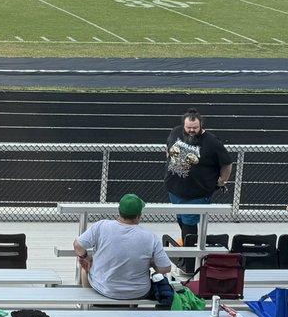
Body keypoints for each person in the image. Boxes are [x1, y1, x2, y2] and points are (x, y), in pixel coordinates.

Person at [164, 109, 233, 271]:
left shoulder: (212, 142)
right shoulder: (175, 132)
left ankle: (190, 264)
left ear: (201, 125)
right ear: (184, 125)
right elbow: (168, 149)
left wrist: (222, 181)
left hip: (196, 194)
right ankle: (187, 251)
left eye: (195, 127)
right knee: (182, 221)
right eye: (188, 127)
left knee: (189, 227)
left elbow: (227, 163)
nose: (191, 130)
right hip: (174, 190)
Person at [73, 194, 171, 300]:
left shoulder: (101, 226)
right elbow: (165, 268)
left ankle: (88, 302)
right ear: (139, 215)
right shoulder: (150, 237)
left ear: (118, 211)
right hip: (138, 292)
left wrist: (85, 258)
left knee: (85, 266)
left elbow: (78, 245)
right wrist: (150, 264)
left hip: (104, 289)